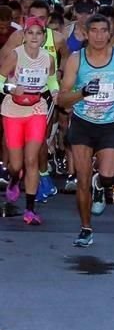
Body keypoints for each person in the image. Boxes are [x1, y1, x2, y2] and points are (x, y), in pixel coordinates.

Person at [59, 13, 114, 247]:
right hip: (83, 124)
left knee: (108, 176)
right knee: (82, 180)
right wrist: (82, 92)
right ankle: (86, 228)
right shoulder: (77, 59)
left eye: (103, 31)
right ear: (86, 33)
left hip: (110, 125)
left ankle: (100, 184)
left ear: (110, 34)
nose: (98, 36)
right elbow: (63, 100)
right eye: (93, 31)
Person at [0, 16, 58, 225]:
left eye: (38, 33)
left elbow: (51, 79)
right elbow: (0, 81)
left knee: (32, 160)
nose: (34, 37)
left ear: (43, 37)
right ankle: (15, 179)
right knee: (16, 164)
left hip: (36, 110)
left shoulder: (48, 57)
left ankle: (30, 209)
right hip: (13, 111)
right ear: (24, 36)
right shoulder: (15, 55)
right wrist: (12, 88)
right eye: (30, 33)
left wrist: (56, 91)